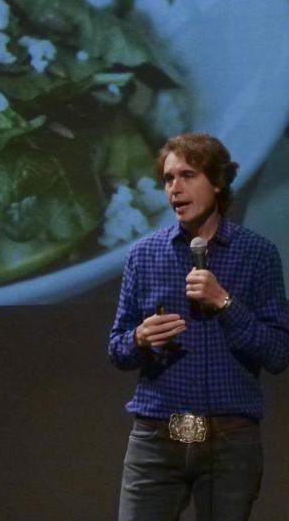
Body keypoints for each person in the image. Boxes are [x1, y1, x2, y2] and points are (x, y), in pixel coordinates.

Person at [108, 133, 289, 521]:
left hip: (229, 444)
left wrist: (225, 304)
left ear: (218, 181)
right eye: (168, 179)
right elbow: (117, 349)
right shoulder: (144, 255)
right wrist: (139, 338)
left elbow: (278, 353)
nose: (175, 188)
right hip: (156, 441)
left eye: (187, 175)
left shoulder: (257, 254)